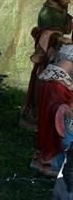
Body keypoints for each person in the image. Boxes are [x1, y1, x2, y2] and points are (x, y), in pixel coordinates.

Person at [22, 0, 72, 127]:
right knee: (45, 78)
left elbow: (65, 30)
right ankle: (37, 112)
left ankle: (56, 112)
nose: (68, 1)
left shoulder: (62, 8)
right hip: (48, 49)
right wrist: (57, 37)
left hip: (59, 48)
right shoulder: (46, 12)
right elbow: (45, 33)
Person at [32, 44, 73, 177]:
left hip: (47, 84)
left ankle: (46, 158)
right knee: (58, 129)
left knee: (48, 125)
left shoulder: (66, 48)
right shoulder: (60, 84)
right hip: (58, 92)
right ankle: (54, 162)